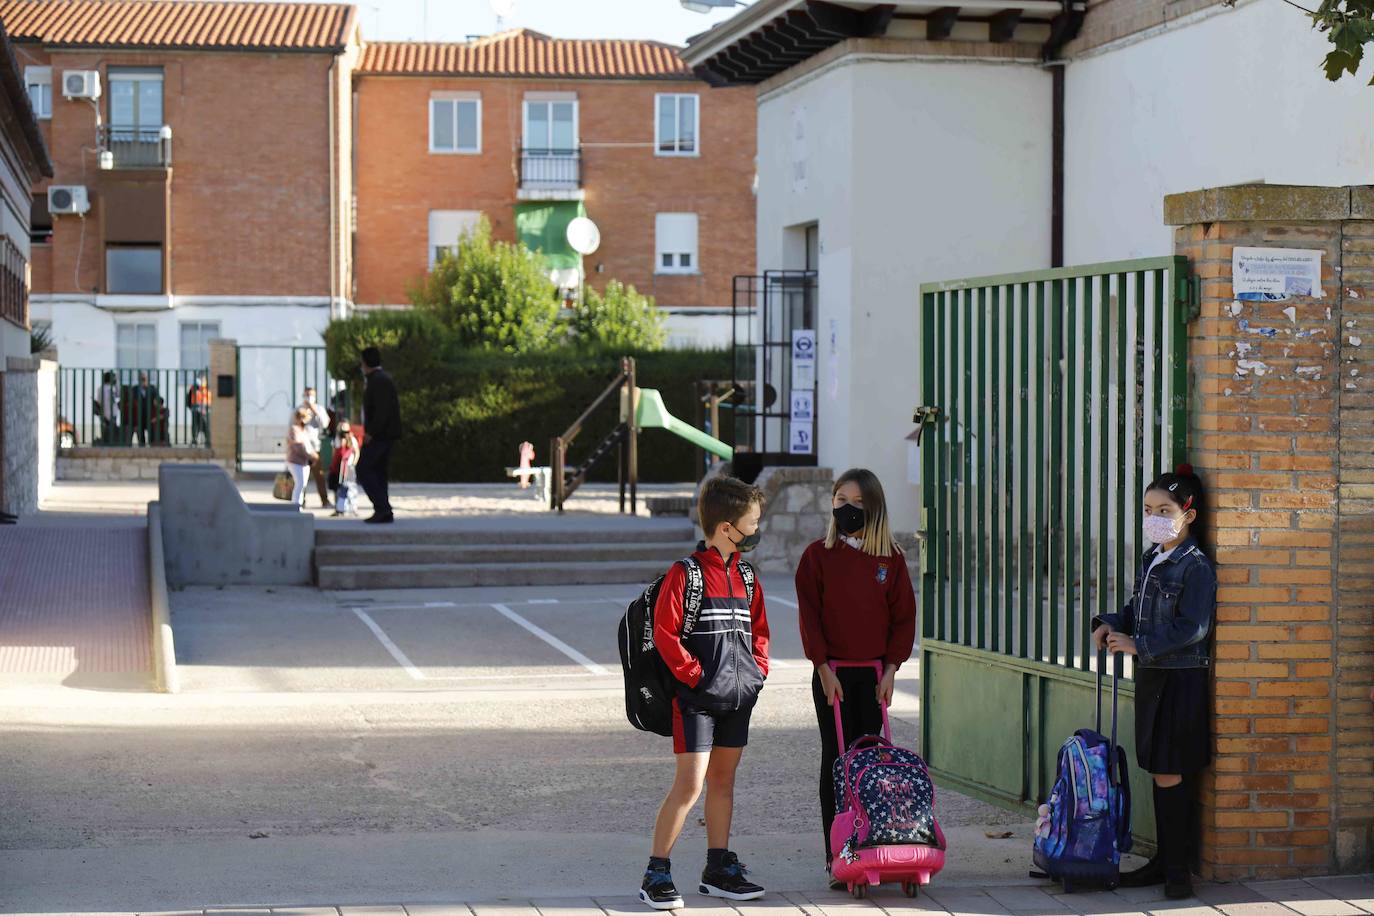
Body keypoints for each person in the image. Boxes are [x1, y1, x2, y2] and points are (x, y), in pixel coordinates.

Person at [640, 476, 770, 911]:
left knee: (723, 782)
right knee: (690, 784)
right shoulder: (686, 575)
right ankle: (656, 872)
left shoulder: (748, 577)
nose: (756, 529)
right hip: (696, 701)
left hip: (739, 700)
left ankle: (718, 869)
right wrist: (695, 677)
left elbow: (761, 634)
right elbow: (665, 634)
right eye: (752, 522)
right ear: (727, 527)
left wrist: (757, 674)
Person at [1092, 464, 1216, 900]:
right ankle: (1166, 862)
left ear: (1189, 514)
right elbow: (1135, 608)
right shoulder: (1152, 558)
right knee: (1159, 767)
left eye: (1165, 509)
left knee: (1169, 769)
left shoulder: (1194, 566)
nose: (1154, 517)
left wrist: (1139, 644)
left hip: (1179, 680)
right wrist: (1109, 624)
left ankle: (1177, 870)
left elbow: (1193, 627)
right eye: (1148, 509)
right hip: (1154, 677)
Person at [794, 468, 917, 890]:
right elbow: (810, 618)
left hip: (873, 676)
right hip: (834, 676)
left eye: (858, 502)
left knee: (874, 759)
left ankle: (877, 840)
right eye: (840, 499)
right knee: (837, 759)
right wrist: (823, 667)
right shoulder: (817, 557)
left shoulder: (890, 559)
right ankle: (837, 854)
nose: (847, 509)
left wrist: (892, 668)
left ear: (874, 508)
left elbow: (902, 618)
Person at [358, 347, 401, 524]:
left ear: (366, 363)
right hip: (383, 434)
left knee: (364, 469)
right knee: (378, 471)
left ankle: (382, 507)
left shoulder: (379, 381)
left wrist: (371, 432)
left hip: (380, 435)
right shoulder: (378, 379)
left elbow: (382, 411)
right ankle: (383, 510)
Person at [285, 407, 318, 509]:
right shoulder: (294, 430)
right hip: (296, 461)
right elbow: (298, 447)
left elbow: (307, 445)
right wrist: (311, 456)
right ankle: (296, 506)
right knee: (300, 484)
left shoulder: (303, 430)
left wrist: (313, 455)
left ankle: (299, 504)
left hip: (304, 462)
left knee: (302, 485)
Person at [332, 422, 360, 517]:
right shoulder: (337, 439)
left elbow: (357, 452)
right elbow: (335, 453)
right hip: (339, 468)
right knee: (339, 489)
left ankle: (354, 508)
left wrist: (353, 464)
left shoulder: (352, 439)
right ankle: (340, 509)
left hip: (349, 467)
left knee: (351, 488)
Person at [131, 372, 159, 447]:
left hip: (150, 416)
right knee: (140, 436)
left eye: (144, 379)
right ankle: (142, 447)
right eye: (141, 379)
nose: (143, 381)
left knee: (152, 435)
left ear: (147, 379)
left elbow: (157, 401)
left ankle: (152, 448)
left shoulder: (152, 389)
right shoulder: (134, 389)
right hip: (139, 416)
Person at [187, 374, 212, 446]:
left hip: (204, 409)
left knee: (205, 426)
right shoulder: (194, 387)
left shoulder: (207, 387)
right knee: (196, 426)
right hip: (196, 409)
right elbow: (189, 398)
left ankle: (207, 441)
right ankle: (195, 440)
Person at [98, 371, 121, 445]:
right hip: (107, 412)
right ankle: (108, 442)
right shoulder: (103, 388)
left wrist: (117, 382)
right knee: (108, 429)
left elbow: (119, 394)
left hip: (110, 412)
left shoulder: (111, 388)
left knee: (110, 429)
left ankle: (110, 442)